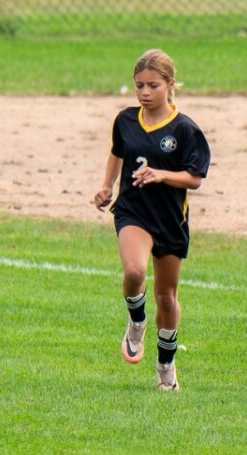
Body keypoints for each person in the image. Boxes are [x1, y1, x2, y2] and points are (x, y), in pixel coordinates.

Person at [93, 49, 211, 392]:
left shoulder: (185, 129)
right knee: (133, 272)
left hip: (170, 221)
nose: (145, 93)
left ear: (170, 86)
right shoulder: (125, 120)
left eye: (153, 86)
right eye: (139, 85)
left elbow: (194, 178)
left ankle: (165, 366)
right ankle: (136, 321)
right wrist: (106, 187)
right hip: (133, 211)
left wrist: (161, 174)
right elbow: (118, 152)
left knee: (166, 297)